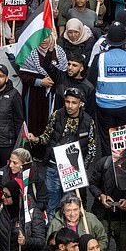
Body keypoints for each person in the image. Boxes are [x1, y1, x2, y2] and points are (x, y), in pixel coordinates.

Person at [29, 87, 96, 218]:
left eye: (74, 102)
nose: (69, 106)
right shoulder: (56, 115)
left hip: (73, 171)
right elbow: (46, 137)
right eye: (67, 101)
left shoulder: (89, 122)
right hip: (53, 166)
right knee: (51, 205)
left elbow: (92, 149)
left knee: (70, 208)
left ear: (81, 103)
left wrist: (81, 169)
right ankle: (50, 234)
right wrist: (36, 139)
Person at [88, 22, 126, 154]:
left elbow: (90, 82)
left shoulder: (99, 58)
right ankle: (121, 169)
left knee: (107, 140)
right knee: (124, 140)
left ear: (107, 40)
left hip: (104, 107)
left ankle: (108, 167)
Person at [88, 154, 126, 251]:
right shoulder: (104, 163)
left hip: (124, 218)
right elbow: (92, 184)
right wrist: (101, 196)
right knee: (101, 247)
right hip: (103, 216)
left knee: (125, 247)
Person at [0, 178, 47, 251]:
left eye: (6, 195)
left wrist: (26, 241)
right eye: (2, 193)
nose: (2, 197)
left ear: (16, 196)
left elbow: (41, 242)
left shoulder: (33, 212)